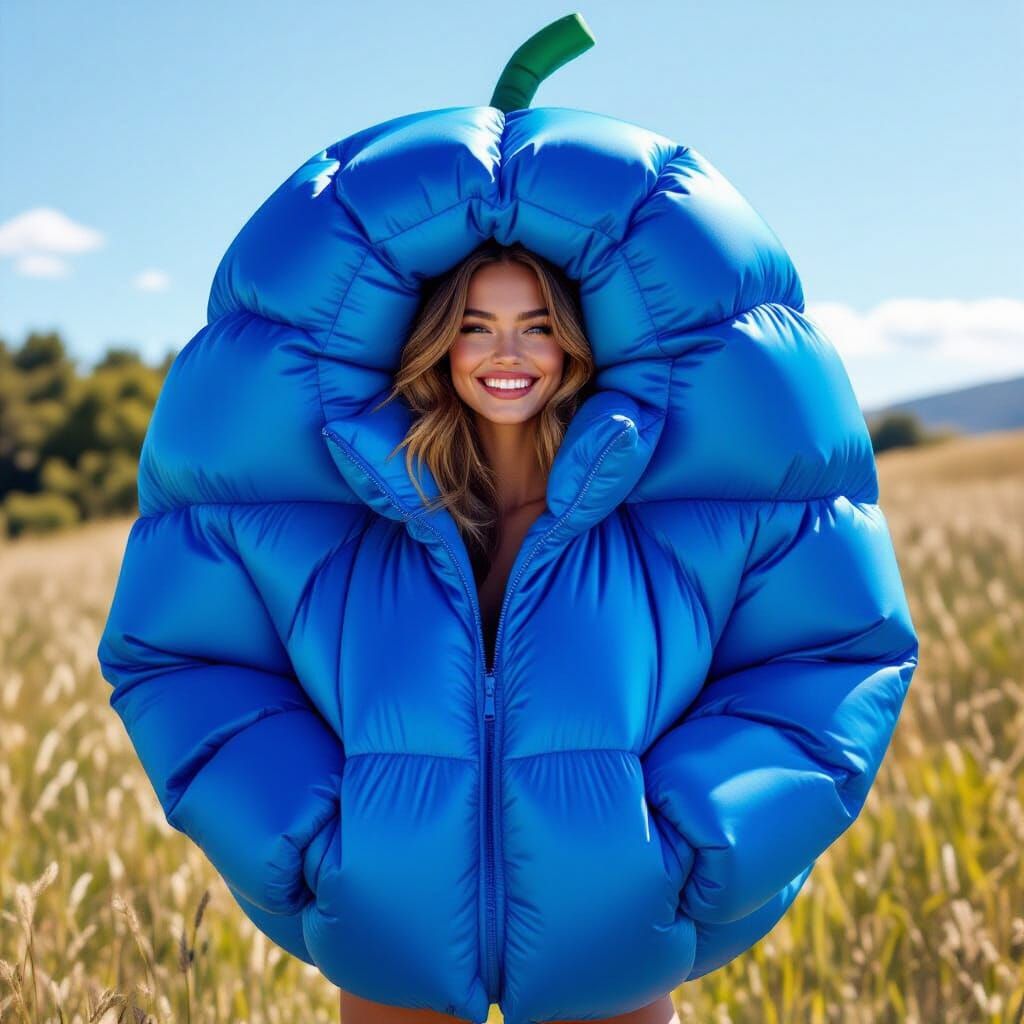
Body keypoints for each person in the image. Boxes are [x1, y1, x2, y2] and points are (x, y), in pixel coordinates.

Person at [337, 239, 679, 1024]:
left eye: (536, 326)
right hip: (401, 927)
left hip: (602, 927)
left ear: (572, 344)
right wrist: (338, 853)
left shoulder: (635, 518)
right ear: (438, 343)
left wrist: (661, 855)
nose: (507, 353)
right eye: (476, 326)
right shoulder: (379, 518)